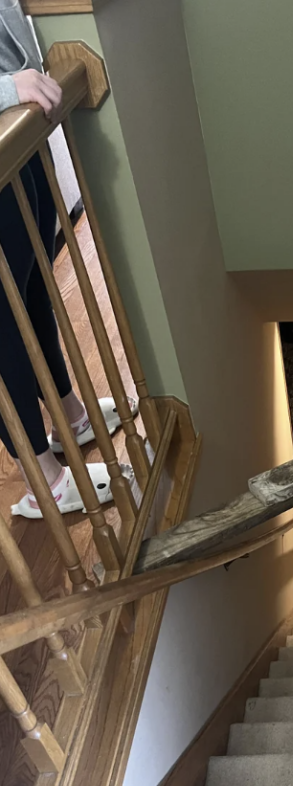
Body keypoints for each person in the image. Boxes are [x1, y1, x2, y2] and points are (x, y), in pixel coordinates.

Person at [0, 0, 128, 518]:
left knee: (31, 283)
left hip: (16, 126)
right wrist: (7, 89)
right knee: (2, 316)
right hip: (8, 107)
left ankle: (67, 415)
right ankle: (44, 482)